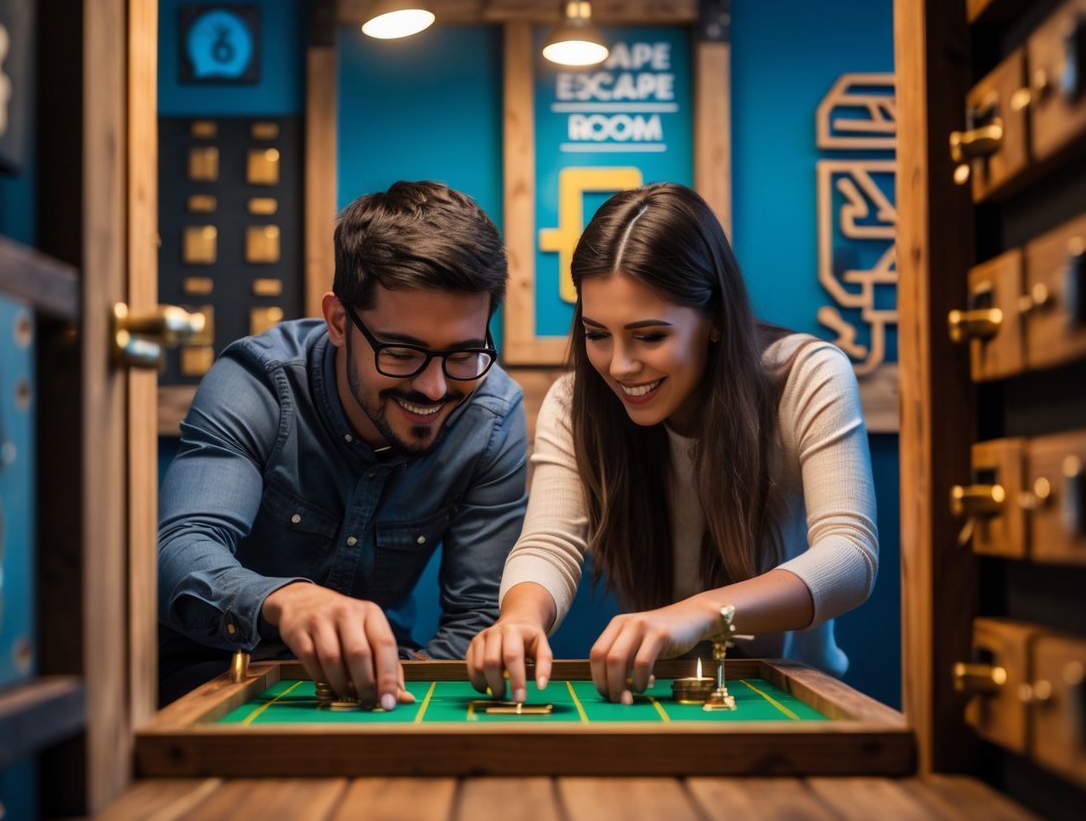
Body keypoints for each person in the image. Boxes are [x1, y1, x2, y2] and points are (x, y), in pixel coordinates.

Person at [466, 183, 878, 705]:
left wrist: (701, 612)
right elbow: (550, 541)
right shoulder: (575, 402)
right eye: (597, 334)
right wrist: (520, 619)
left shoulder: (808, 375)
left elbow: (850, 555)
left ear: (714, 321)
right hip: (657, 698)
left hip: (794, 693)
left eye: (650, 336)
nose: (619, 365)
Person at [158, 181, 529, 710]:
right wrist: (286, 599)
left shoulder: (493, 417)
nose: (435, 388)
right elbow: (179, 547)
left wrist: (400, 703)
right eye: (402, 352)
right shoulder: (257, 383)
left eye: (464, 353)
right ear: (338, 321)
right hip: (215, 675)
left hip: (387, 684)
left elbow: (476, 619)